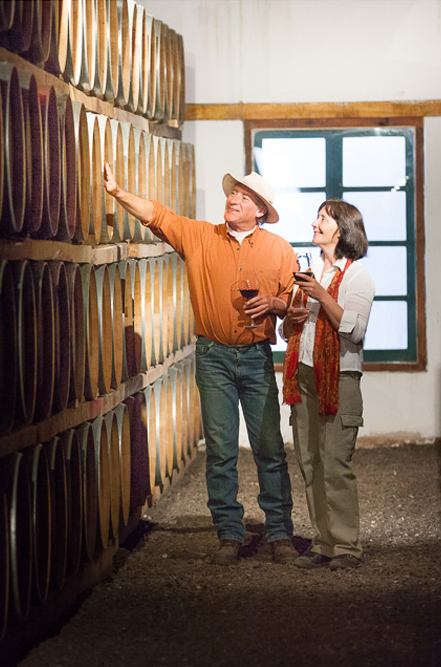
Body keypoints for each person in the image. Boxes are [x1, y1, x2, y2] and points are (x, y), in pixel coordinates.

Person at [102, 162, 298, 565]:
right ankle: (229, 534)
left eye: (244, 196)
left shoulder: (279, 249)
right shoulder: (200, 236)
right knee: (222, 449)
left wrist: (276, 304)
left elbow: (297, 304)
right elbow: (158, 215)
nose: (233, 198)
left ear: (260, 210)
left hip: (257, 356)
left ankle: (279, 533)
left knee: (269, 449)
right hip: (213, 357)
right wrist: (119, 193)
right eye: (233, 193)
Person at [281, 200, 374, 570]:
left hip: (339, 378)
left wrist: (321, 295)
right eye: (317, 217)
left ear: (342, 229)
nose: (314, 223)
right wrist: (290, 317)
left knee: (335, 462)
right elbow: (285, 332)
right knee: (310, 462)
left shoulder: (356, 275)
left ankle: (347, 546)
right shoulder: (307, 270)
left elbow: (355, 329)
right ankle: (323, 543)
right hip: (303, 376)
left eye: (323, 218)